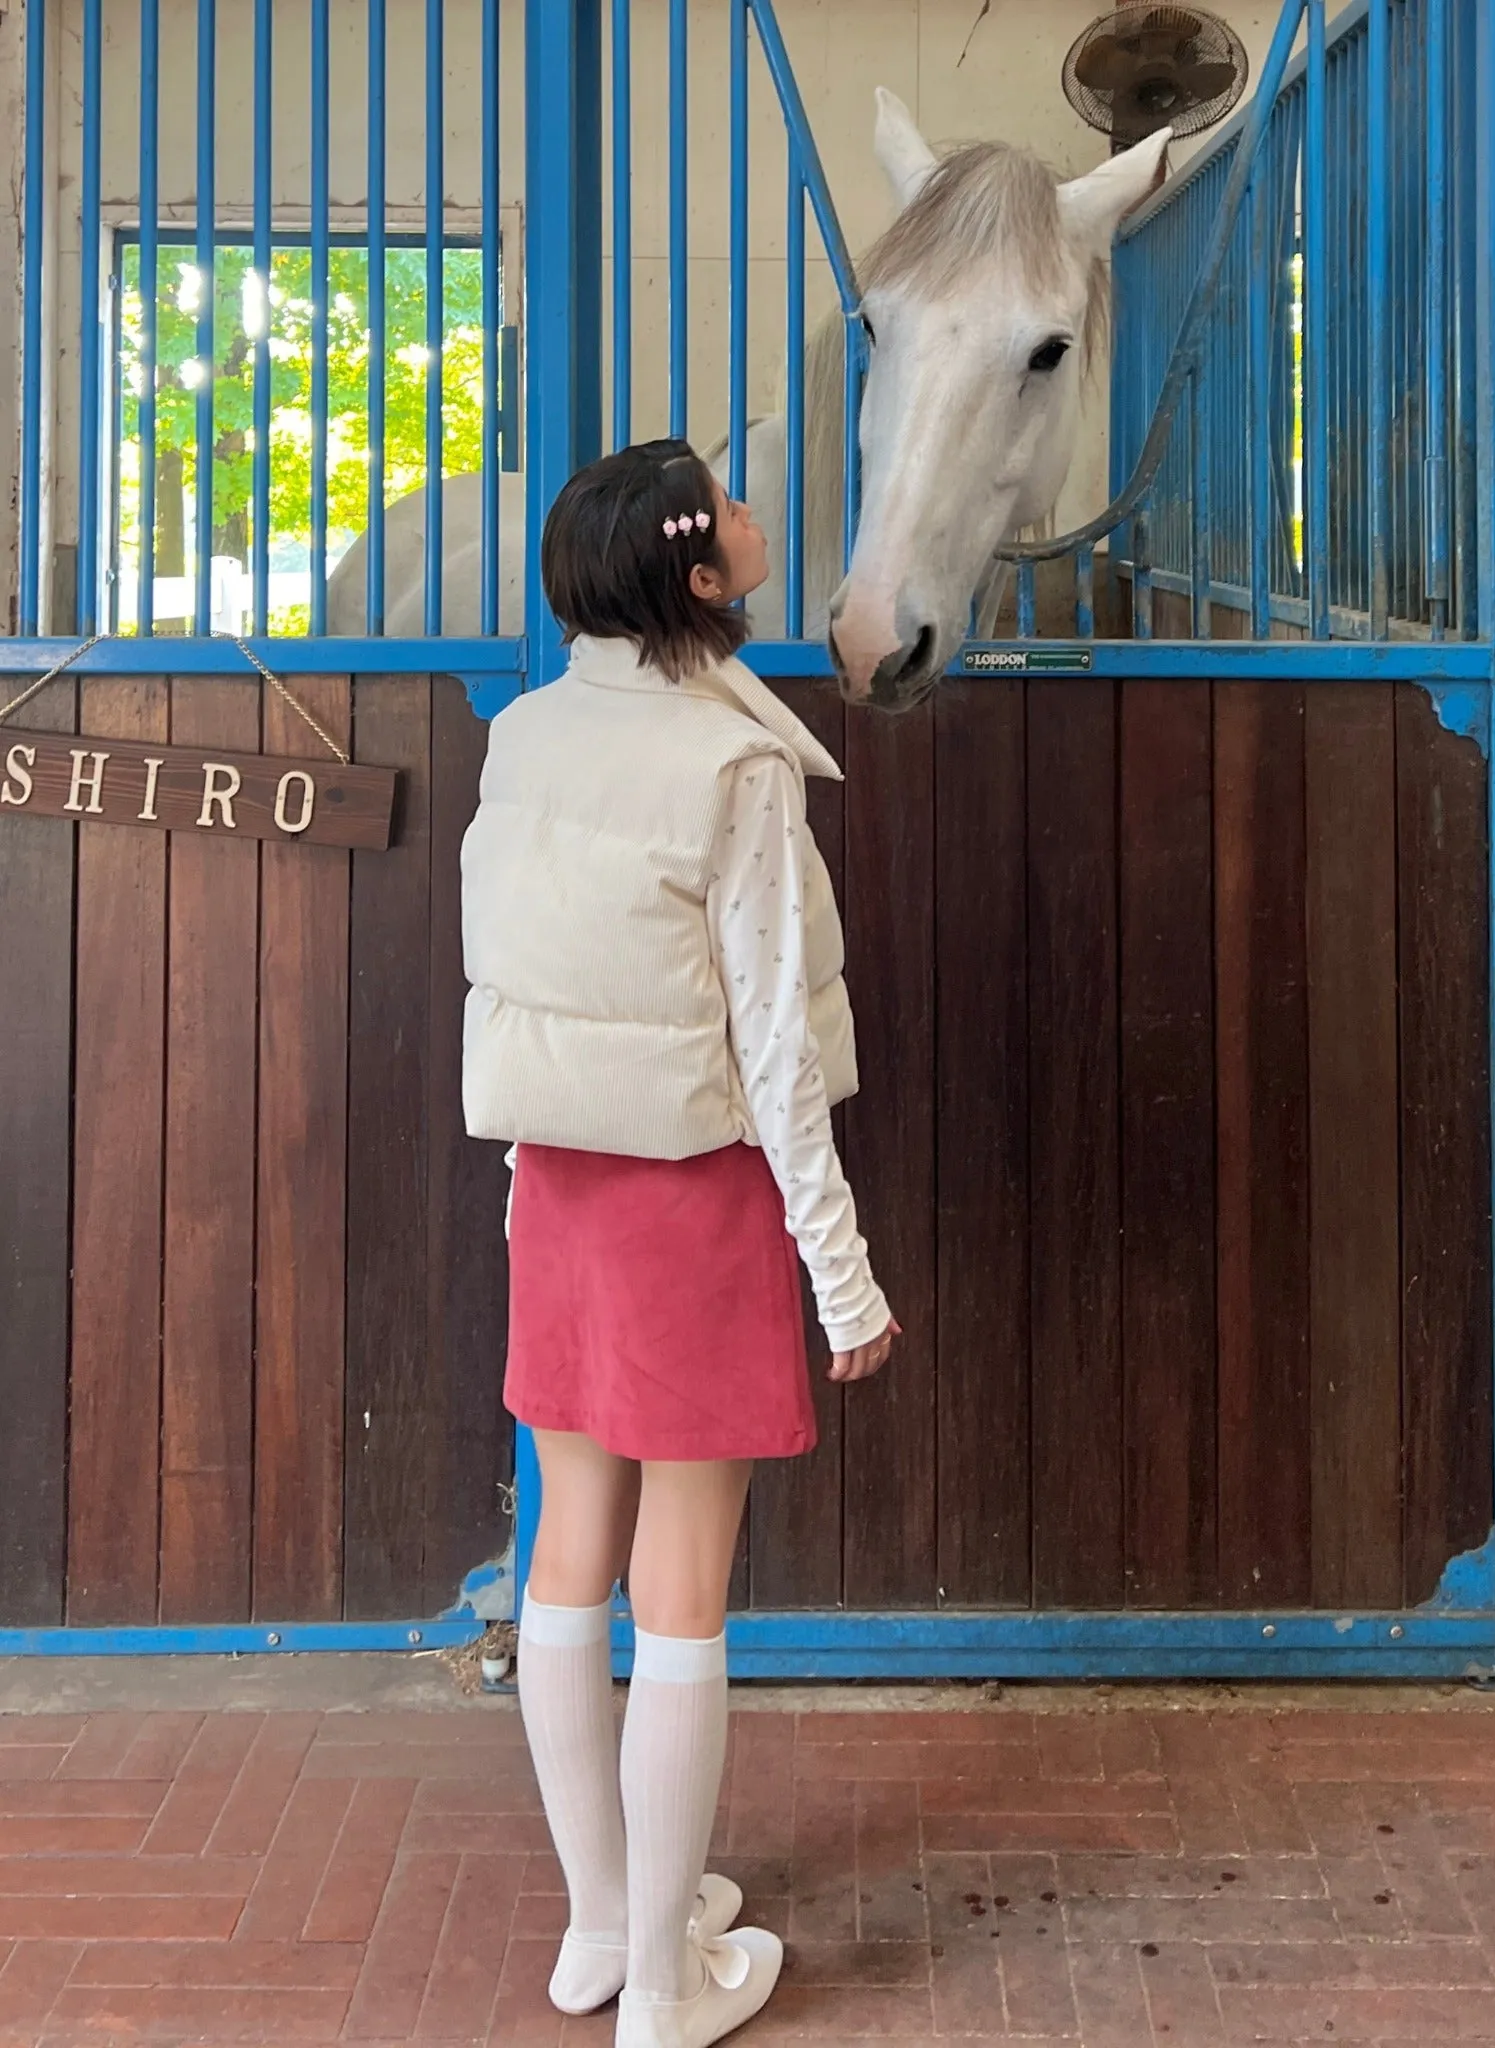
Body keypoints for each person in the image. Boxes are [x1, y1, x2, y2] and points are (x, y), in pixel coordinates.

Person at [460, 437, 897, 2048]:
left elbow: (511, 980)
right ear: (699, 573)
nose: (761, 504)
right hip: (693, 1199)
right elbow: (775, 1047)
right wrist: (841, 1273)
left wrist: (521, 1176)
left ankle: (600, 1925)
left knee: (568, 1555)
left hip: (556, 1188)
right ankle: (665, 1981)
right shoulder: (736, 767)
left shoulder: (526, 735)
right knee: (684, 1592)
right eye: (731, 499)